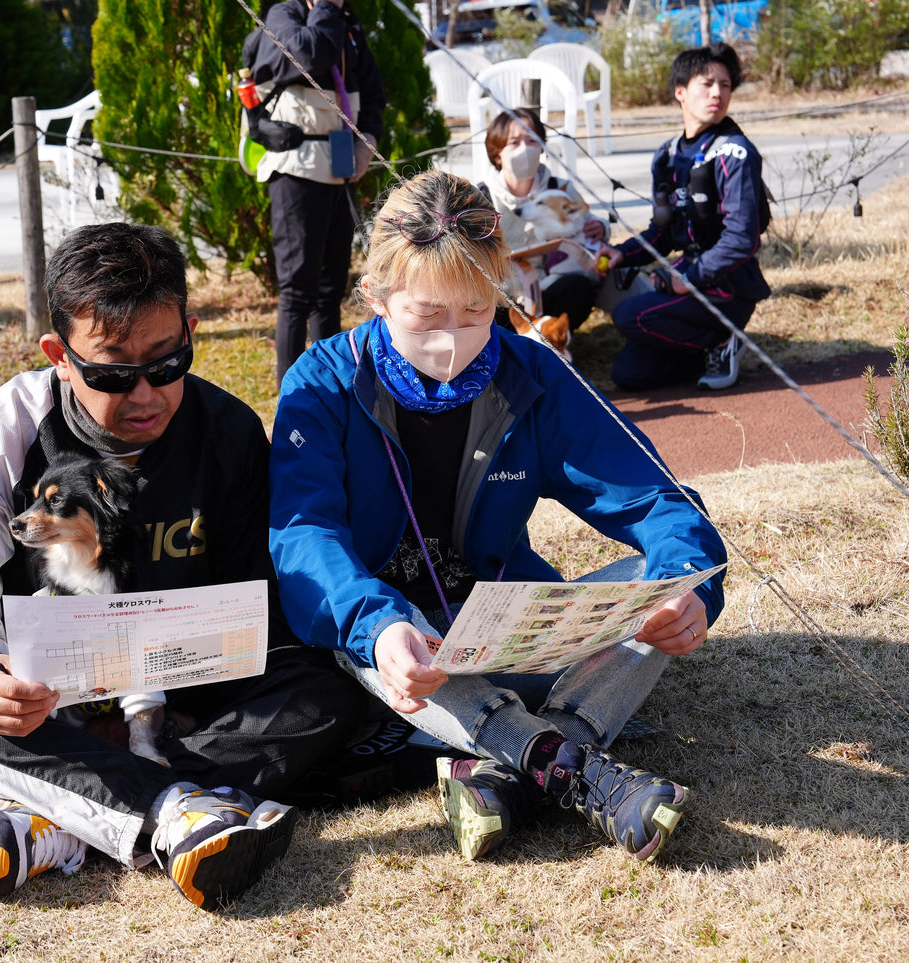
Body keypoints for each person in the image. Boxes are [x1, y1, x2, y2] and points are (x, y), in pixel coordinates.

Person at [0, 222, 366, 910]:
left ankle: (62, 813)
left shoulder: (228, 431)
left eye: (168, 363)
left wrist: (174, 701)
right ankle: (177, 809)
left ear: (190, 331)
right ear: (59, 355)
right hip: (48, 710)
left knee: (322, 690)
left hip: (186, 703)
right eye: (112, 373)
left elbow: (258, 608)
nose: (146, 394)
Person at [267, 170, 728, 863]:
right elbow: (304, 539)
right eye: (425, 317)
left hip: (507, 627)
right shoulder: (321, 381)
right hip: (391, 652)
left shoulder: (532, 374)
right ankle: (570, 765)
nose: (452, 345)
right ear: (375, 297)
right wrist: (377, 624)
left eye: (476, 313)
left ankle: (507, 770)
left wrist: (688, 583)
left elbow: (654, 497)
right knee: (381, 635)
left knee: (650, 581)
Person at [602, 43, 770, 392]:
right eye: (706, 83)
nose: (718, 93)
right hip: (688, 284)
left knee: (628, 315)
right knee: (629, 375)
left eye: (725, 85)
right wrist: (624, 254)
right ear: (680, 92)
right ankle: (708, 348)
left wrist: (690, 276)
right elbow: (663, 233)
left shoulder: (735, 153)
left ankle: (723, 342)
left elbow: (742, 239)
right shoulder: (666, 156)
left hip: (727, 289)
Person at [243, 0, 385, 384]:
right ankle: (291, 393)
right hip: (295, 166)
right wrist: (325, 7)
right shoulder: (283, 15)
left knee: (331, 287)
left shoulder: (348, 25)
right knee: (297, 290)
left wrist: (366, 138)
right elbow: (309, 54)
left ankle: (335, 385)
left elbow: (371, 90)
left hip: (338, 162)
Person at [479, 108, 648, 333]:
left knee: (578, 289)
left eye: (532, 140)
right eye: (515, 142)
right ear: (497, 153)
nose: (525, 149)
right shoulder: (481, 198)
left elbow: (587, 223)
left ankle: (553, 338)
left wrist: (601, 227)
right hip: (506, 297)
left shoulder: (560, 189)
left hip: (552, 290)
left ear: (541, 146)